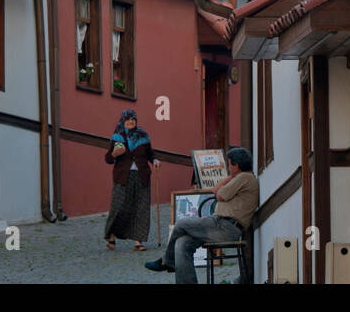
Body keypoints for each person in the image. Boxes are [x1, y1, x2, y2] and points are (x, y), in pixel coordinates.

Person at [145, 146, 257, 283]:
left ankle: (167, 261)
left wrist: (231, 177)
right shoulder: (240, 178)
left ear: (237, 165)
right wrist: (231, 176)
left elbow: (220, 195)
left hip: (225, 227)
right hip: (219, 225)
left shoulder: (244, 177)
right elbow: (215, 189)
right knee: (182, 243)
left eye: (229, 164)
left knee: (181, 224)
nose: (228, 167)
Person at [104, 109, 159, 251]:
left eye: (133, 119)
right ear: (123, 121)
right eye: (128, 120)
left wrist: (155, 160)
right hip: (123, 177)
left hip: (142, 176)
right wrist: (114, 154)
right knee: (119, 206)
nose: (131, 122)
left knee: (141, 208)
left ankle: (138, 241)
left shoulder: (143, 136)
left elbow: (150, 153)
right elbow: (108, 159)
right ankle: (110, 234)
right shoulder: (117, 137)